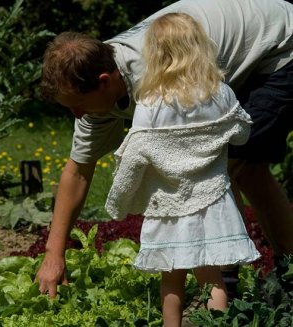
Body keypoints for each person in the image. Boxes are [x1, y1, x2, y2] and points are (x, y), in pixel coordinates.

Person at [36, 0, 293, 299]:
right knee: (236, 168)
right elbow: (78, 172)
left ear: (104, 82)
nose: (77, 115)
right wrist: (54, 255)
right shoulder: (94, 71)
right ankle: (233, 284)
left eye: (77, 106)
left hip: (280, 42)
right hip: (238, 49)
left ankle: (280, 277)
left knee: (241, 166)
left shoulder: (160, 76)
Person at [104, 12, 260, 326]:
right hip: (213, 203)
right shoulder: (220, 93)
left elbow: (134, 159)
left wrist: (118, 204)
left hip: (169, 209)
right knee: (212, 276)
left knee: (171, 279)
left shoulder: (149, 104)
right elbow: (242, 134)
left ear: (155, 55)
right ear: (200, 48)